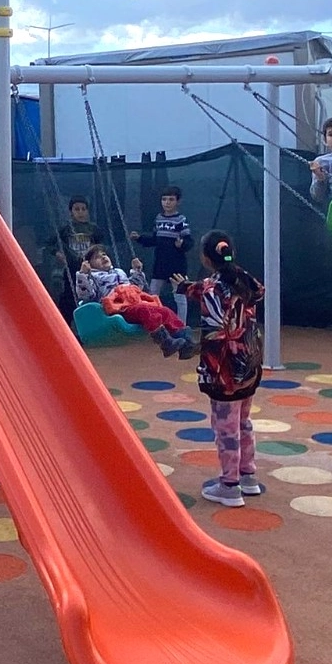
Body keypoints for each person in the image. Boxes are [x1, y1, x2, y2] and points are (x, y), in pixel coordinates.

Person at [173, 232, 265, 507]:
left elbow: (215, 326)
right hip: (249, 364)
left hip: (225, 369)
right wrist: (186, 287)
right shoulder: (244, 281)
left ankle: (229, 486)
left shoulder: (213, 290)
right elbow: (207, 287)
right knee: (243, 421)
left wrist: (198, 355)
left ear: (205, 258)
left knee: (226, 429)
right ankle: (248, 476)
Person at [74, 246, 196, 358]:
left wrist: (137, 271)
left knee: (165, 311)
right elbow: (86, 295)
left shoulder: (119, 272)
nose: (103, 257)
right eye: (97, 257)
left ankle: (186, 342)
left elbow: (136, 287)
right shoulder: (92, 277)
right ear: (89, 264)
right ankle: (165, 342)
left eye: (104, 254)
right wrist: (83, 274)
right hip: (119, 308)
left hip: (134, 303)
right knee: (144, 310)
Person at [130, 184, 193, 324]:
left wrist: (182, 244)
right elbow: (155, 239)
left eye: (171, 199)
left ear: (178, 201)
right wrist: (139, 238)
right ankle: (154, 323)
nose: (167, 203)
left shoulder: (181, 220)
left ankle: (181, 325)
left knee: (180, 295)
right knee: (153, 294)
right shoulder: (159, 219)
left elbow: (189, 242)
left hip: (177, 264)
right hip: (160, 263)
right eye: (164, 199)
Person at [50, 196, 102, 323]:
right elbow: (51, 244)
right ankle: (64, 323)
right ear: (71, 212)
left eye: (83, 209)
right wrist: (58, 253)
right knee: (69, 296)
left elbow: (101, 245)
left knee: (91, 294)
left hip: (90, 269)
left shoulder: (94, 229)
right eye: (77, 209)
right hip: (71, 268)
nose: (80, 212)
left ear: (88, 211)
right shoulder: (65, 229)